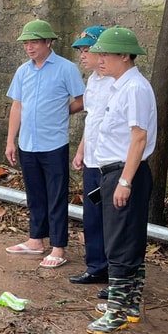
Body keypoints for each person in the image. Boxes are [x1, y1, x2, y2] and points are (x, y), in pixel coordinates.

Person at [85, 26, 157, 334]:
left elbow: (138, 138)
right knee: (128, 239)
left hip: (126, 173)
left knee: (120, 244)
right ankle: (128, 304)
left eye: (106, 54)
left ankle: (116, 311)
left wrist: (125, 182)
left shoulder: (135, 88)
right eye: (98, 54)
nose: (99, 59)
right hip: (116, 172)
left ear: (125, 56)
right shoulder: (120, 85)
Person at [4, 19, 85, 268]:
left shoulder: (66, 68)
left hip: (54, 143)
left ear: (48, 42)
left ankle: (58, 247)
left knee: (56, 196)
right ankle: (35, 240)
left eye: (35, 42)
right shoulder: (23, 71)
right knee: (35, 194)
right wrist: (11, 141)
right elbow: (17, 106)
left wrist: (63, 112)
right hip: (28, 143)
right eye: (26, 43)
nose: (29, 48)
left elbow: (82, 100)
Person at [70, 26, 112, 286]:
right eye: (81, 51)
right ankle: (95, 266)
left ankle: (115, 271)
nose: (82, 56)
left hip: (111, 162)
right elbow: (92, 119)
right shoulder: (93, 80)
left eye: (87, 50)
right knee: (92, 215)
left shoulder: (117, 82)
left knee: (112, 218)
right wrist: (82, 149)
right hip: (93, 159)